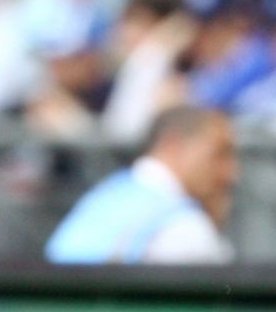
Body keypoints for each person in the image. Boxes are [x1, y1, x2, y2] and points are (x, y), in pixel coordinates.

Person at [45, 106, 237, 263]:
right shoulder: (185, 226)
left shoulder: (104, 196)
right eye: (219, 154)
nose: (230, 174)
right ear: (172, 145)